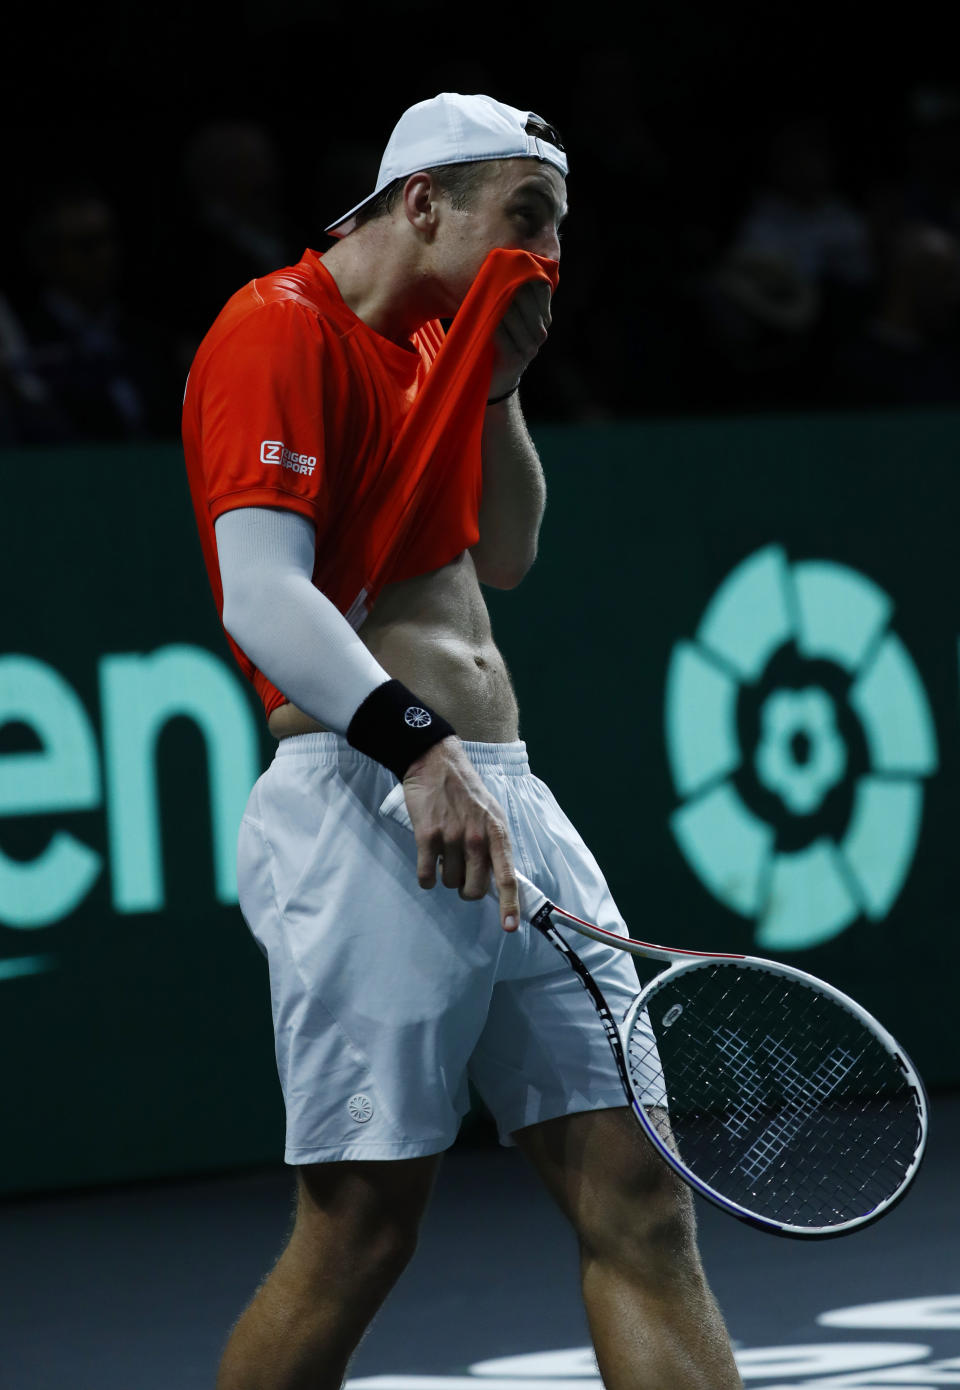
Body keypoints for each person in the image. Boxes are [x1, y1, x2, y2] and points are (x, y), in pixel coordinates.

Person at [183, 93, 743, 1390]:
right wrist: (420, 749)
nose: (546, 258)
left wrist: (498, 386)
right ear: (424, 201)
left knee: (642, 1202)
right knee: (361, 1232)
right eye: (525, 220)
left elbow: (507, 553)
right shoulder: (277, 328)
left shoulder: (443, 345)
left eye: (558, 231)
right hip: (372, 794)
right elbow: (262, 593)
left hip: (505, 795)